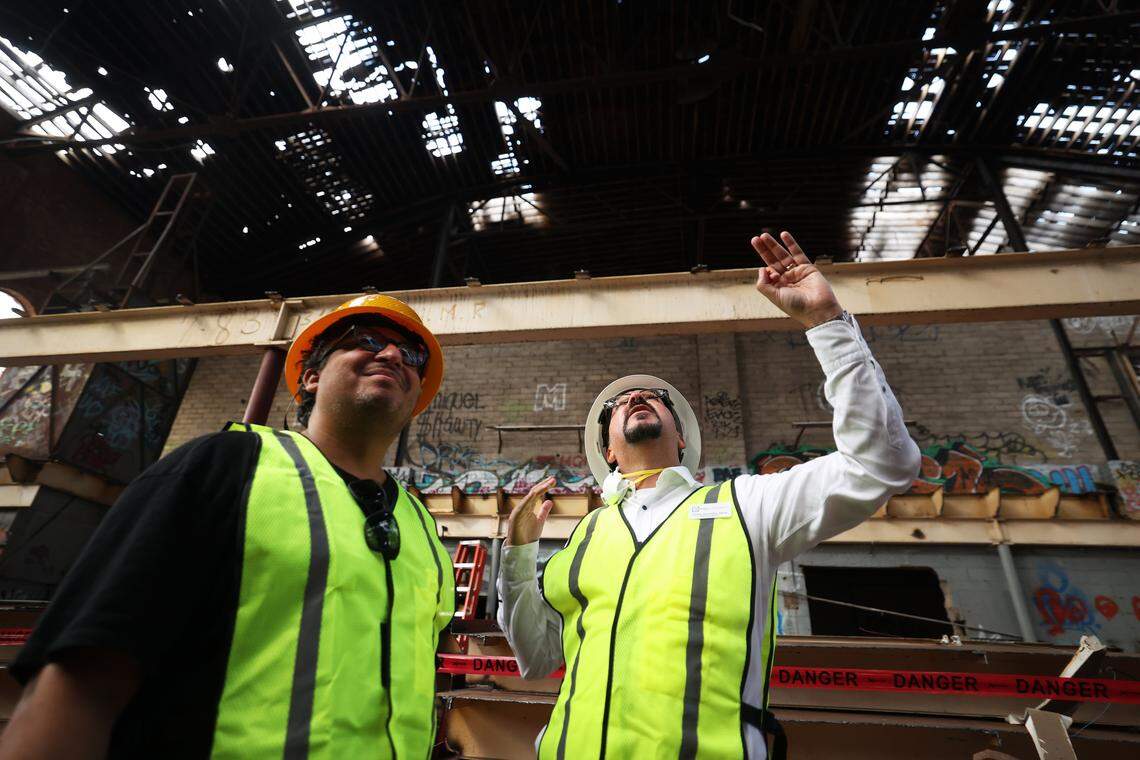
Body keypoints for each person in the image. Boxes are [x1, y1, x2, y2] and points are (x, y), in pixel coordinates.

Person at [500, 232, 922, 759]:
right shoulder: (583, 539)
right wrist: (516, 555)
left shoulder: (747, 508)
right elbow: (537, 658)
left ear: (681, 439)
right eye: (620, 405)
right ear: (607, 450)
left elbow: (882, 463)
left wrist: (826, 323)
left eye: (654, 399)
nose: (636, 396)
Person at [0, 294, 455, 759]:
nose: (394, 354)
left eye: (411, 354)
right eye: (367, 340)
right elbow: (81, 681)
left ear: (416, 397)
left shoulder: (419, 527)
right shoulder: (223, 467)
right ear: (312, 377)